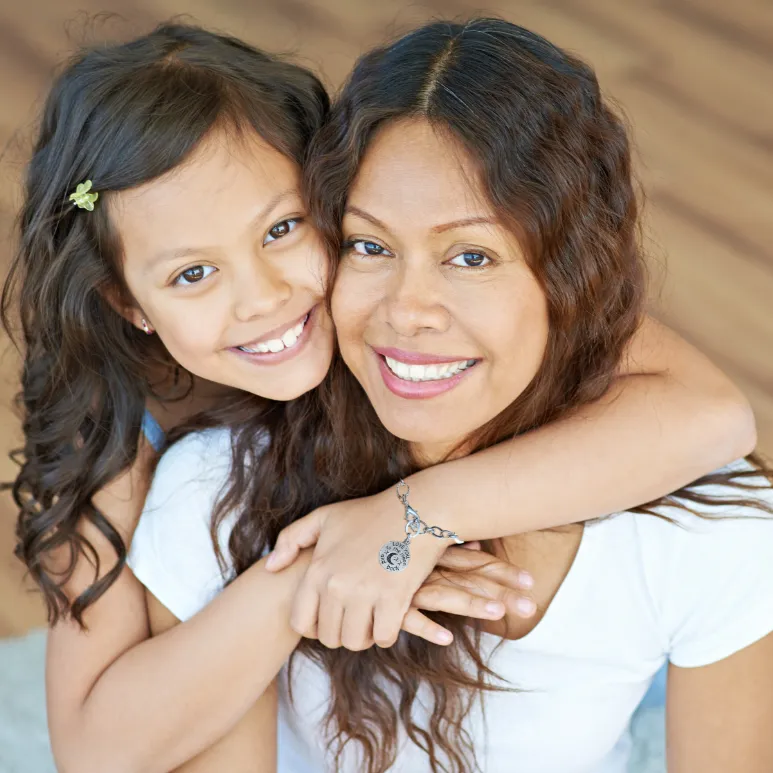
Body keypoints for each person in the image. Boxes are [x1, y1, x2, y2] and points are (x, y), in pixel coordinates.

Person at [0, 22, 755, 773]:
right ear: (126, 303)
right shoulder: (144, 455)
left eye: (283, 228)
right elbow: (98, 749)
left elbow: (714, 415)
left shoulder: (468, 318)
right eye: (191, 274)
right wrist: (312, 570)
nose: (262, 298)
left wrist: (414, 516)